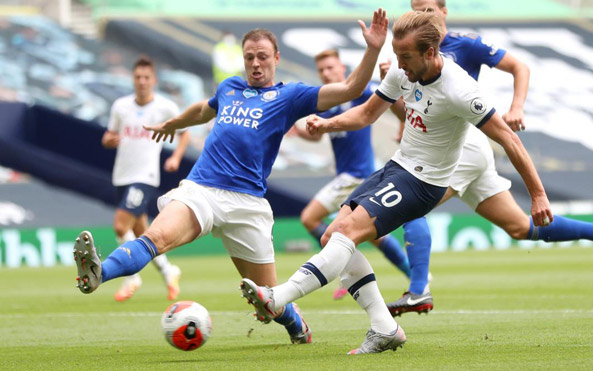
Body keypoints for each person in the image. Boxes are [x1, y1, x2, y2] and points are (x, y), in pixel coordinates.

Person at [240, 10, 553, 355]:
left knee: (346, 233)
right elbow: (366, 113)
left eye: (406, 56)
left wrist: (538, 196)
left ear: (430, 53)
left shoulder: (460, 89)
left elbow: (510, 140)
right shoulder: (404, 71)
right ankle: (384, 327)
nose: (399, 64)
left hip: (424, 183)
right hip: (397, 167)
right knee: (333, 234)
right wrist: (327, 125)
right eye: (397, 54)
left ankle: (278, 298)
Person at [73, 9, 389, 346]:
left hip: (247, 205)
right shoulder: (230, 88)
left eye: (262, 57)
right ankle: (99, 273)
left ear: (276, 58)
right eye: (249, 57)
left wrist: (372, 49)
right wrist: (173, 124)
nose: (255, 63)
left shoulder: (290, 96)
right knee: (156, 238)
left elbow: (351, 87)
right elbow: (201, 110)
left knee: (270, 301)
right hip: (202, 190)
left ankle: (295, 323)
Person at [383, 0, 593, 317]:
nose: (422, 15)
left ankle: (419, 291)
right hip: (462, 149)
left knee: (411, 205)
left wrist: (517, 106)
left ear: (444, 11)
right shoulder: (411, 57)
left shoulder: (465, 45)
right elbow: (411, 111)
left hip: (464, 147)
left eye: (428, 9)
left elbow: (520, 67)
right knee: (519, 227)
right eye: (416, 9)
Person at [288, 49, 411, 300]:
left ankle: (348, 271)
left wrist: (402, 125)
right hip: (348, 176)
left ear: (342, 68)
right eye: (322, 70)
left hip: (357, 175)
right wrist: (300, 133)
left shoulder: (359, 92)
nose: (326, 73)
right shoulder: (328, 103)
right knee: (373, 237)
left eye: (331, 67)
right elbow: (320, 134)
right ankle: (415, 277)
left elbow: (392, 100)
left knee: (310, 218)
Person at [101, 56, 190, 302]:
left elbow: (184, 134)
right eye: (138, 77)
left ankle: (132, 278)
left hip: (145, 176)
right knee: (143, 234)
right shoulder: (120, 106)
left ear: (154, 80)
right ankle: (168, 270)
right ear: (133, 79)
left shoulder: (165, 107)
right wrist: (108, 140)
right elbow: (109, 136)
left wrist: (176, 158)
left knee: (120, 226)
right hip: (122, 175)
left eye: (146, 78)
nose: (142, 82)